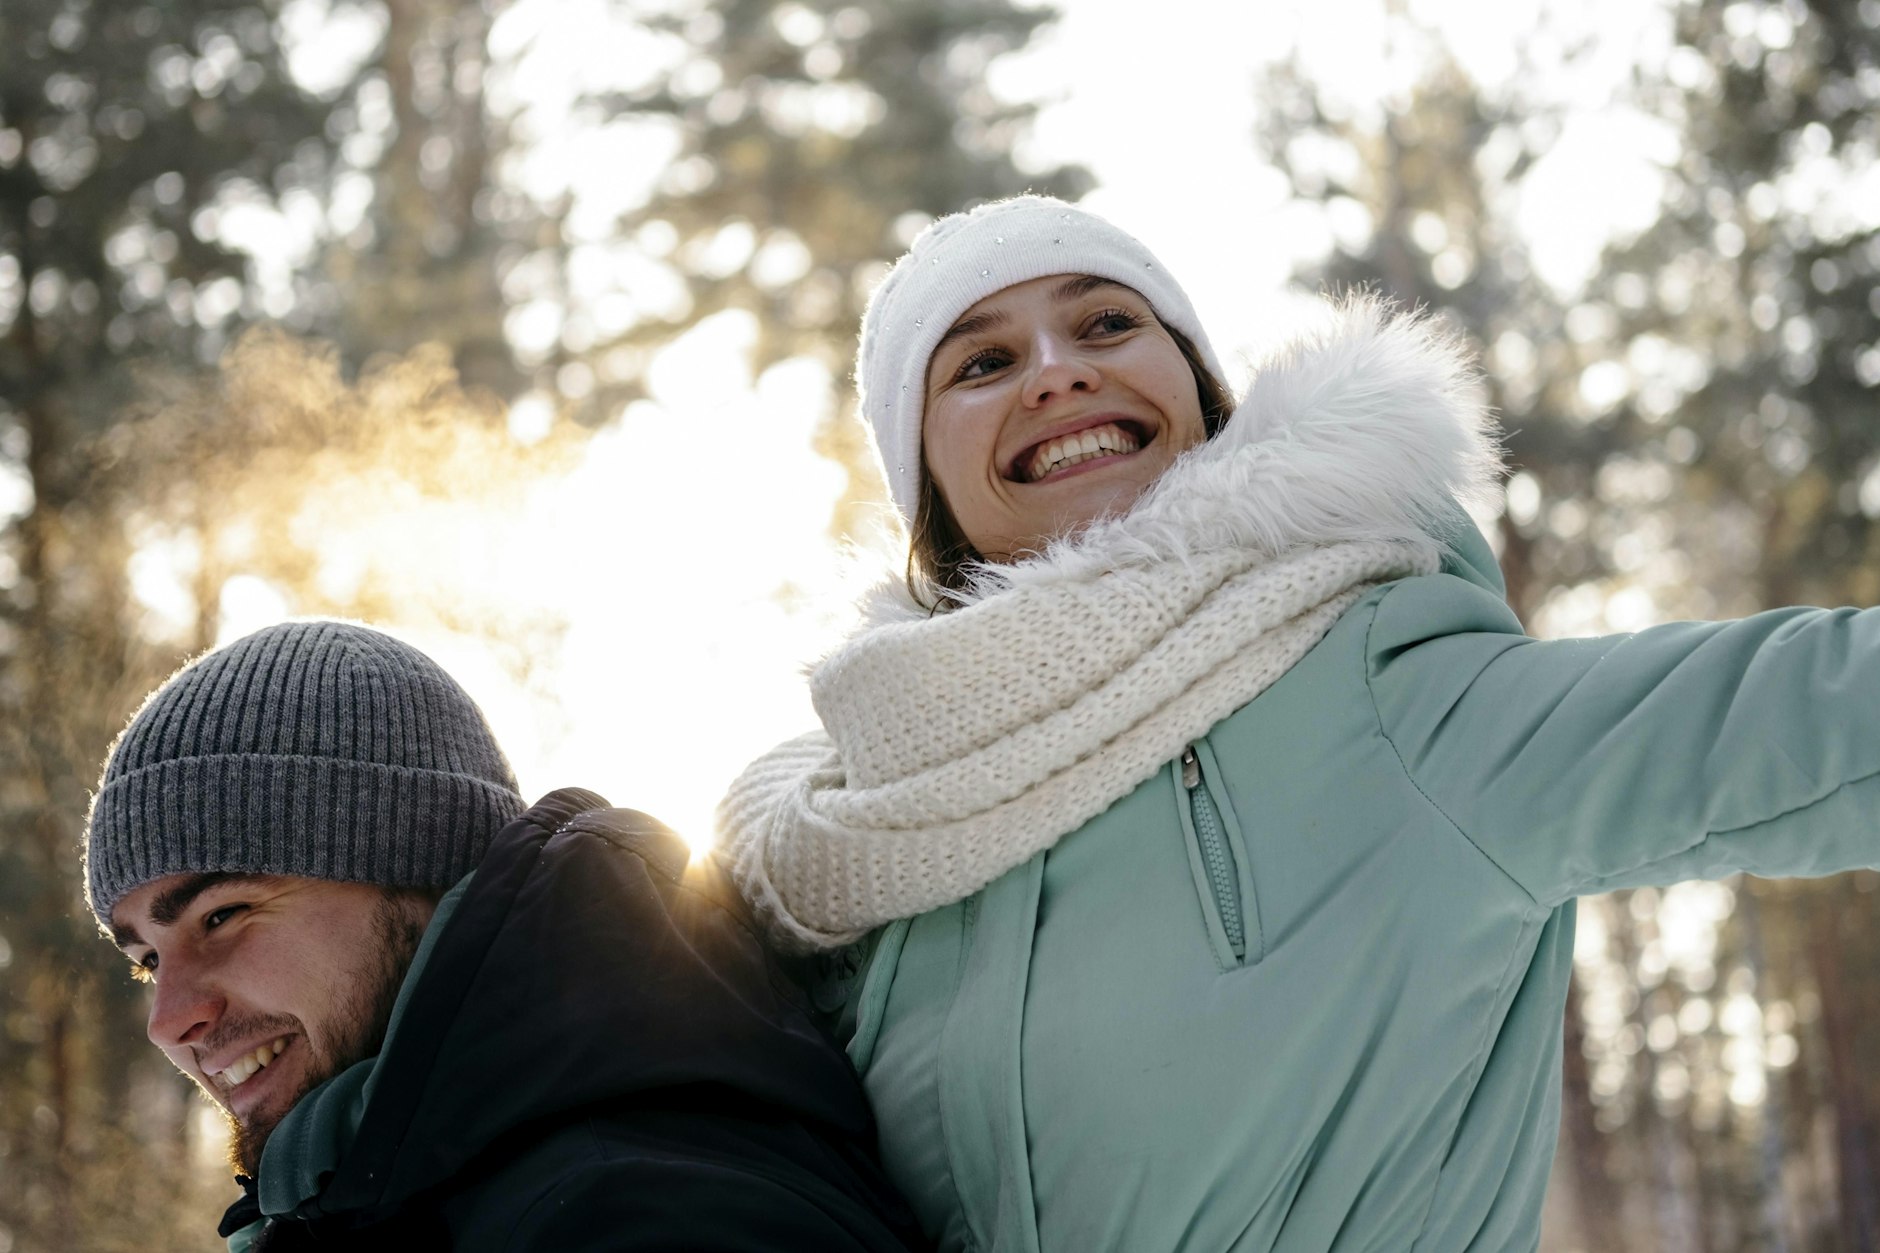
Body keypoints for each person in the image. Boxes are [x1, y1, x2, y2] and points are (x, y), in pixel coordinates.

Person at [718, 195, 1880, 1252]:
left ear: (1201, 397)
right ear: (926, 492)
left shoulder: (1384, 690)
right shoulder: (852, 852)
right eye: (981, 359)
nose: (1057, 371)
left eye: (1107, 324)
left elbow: (1807, 710)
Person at [86, 619, 924, 1252]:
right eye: (147, 959)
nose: (169, 1018)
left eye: (223, 915)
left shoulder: (636, 1210)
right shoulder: (407, 1196)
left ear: (415, 866)